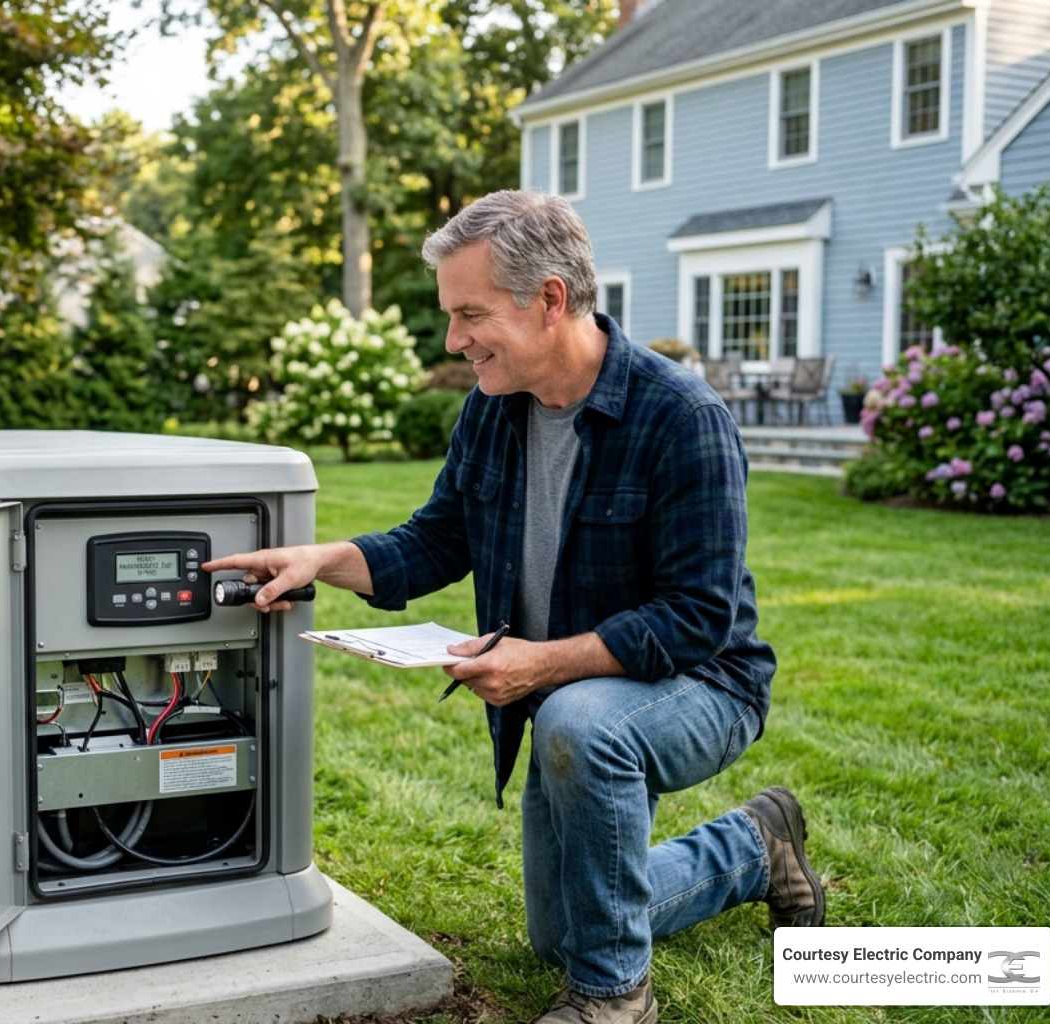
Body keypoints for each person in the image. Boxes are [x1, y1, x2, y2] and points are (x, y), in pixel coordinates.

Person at [204, 189, 823, 1024]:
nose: (454, 340)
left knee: (577, 722)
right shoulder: (492, 413)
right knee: (562, 931)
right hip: (582, 693)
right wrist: (324, 561)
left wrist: (542, 664)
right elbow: (435, 540)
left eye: (470, 314)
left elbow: (698, 617)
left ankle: (614, 996)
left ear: (551, 300)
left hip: (702, 684)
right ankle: (754, 847)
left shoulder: (682, 418)